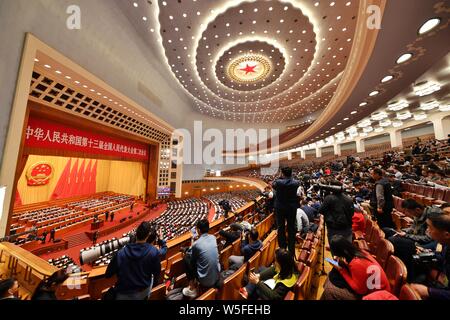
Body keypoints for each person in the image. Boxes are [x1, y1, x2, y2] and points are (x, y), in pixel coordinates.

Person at [321, 235, 390, 300]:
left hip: (377, 295)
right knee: (330, 280)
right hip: (374, 290)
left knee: (329, 290)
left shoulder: (356, 263)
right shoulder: (360, 252)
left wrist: (341, 270)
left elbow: (360, 290)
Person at [105, 221, 161, 300]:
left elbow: (108, 274)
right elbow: (156, 274)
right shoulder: (154, 251)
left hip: (123, 295)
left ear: (135, 233)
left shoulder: (120, 254)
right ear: (148, 235)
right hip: (144, 292)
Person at [410, 212, 450, 300]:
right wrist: (425, 252)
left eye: (430, 228)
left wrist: (428, 291)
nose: (427, 231)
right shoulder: (446, 244)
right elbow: (441, 257)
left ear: (446, 235)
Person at [182, 219, 221, 298]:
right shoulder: (213, 237)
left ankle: (192, 288)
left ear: (198, 230)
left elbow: (192, 261)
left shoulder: (196, 244)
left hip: (205, 280)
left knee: (186, 258)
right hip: (217, 275)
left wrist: (193, 242)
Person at [318, 180, 354, 254]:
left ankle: (336, 265)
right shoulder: (349, 199)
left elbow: (321, 210)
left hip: (334, 229)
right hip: (347, 228)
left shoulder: (329, 198)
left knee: (335, 252)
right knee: (347, 250)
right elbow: (352, 213)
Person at [272, 167, 301, 254]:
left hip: (280, 208)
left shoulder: (278, 182)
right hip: (291, 208)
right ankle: (291, 250)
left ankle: (282, 249)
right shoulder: (296, 183)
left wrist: (280, 176)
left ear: (282, 173)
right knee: (291, 228)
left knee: (281, 228)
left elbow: (273, 185)